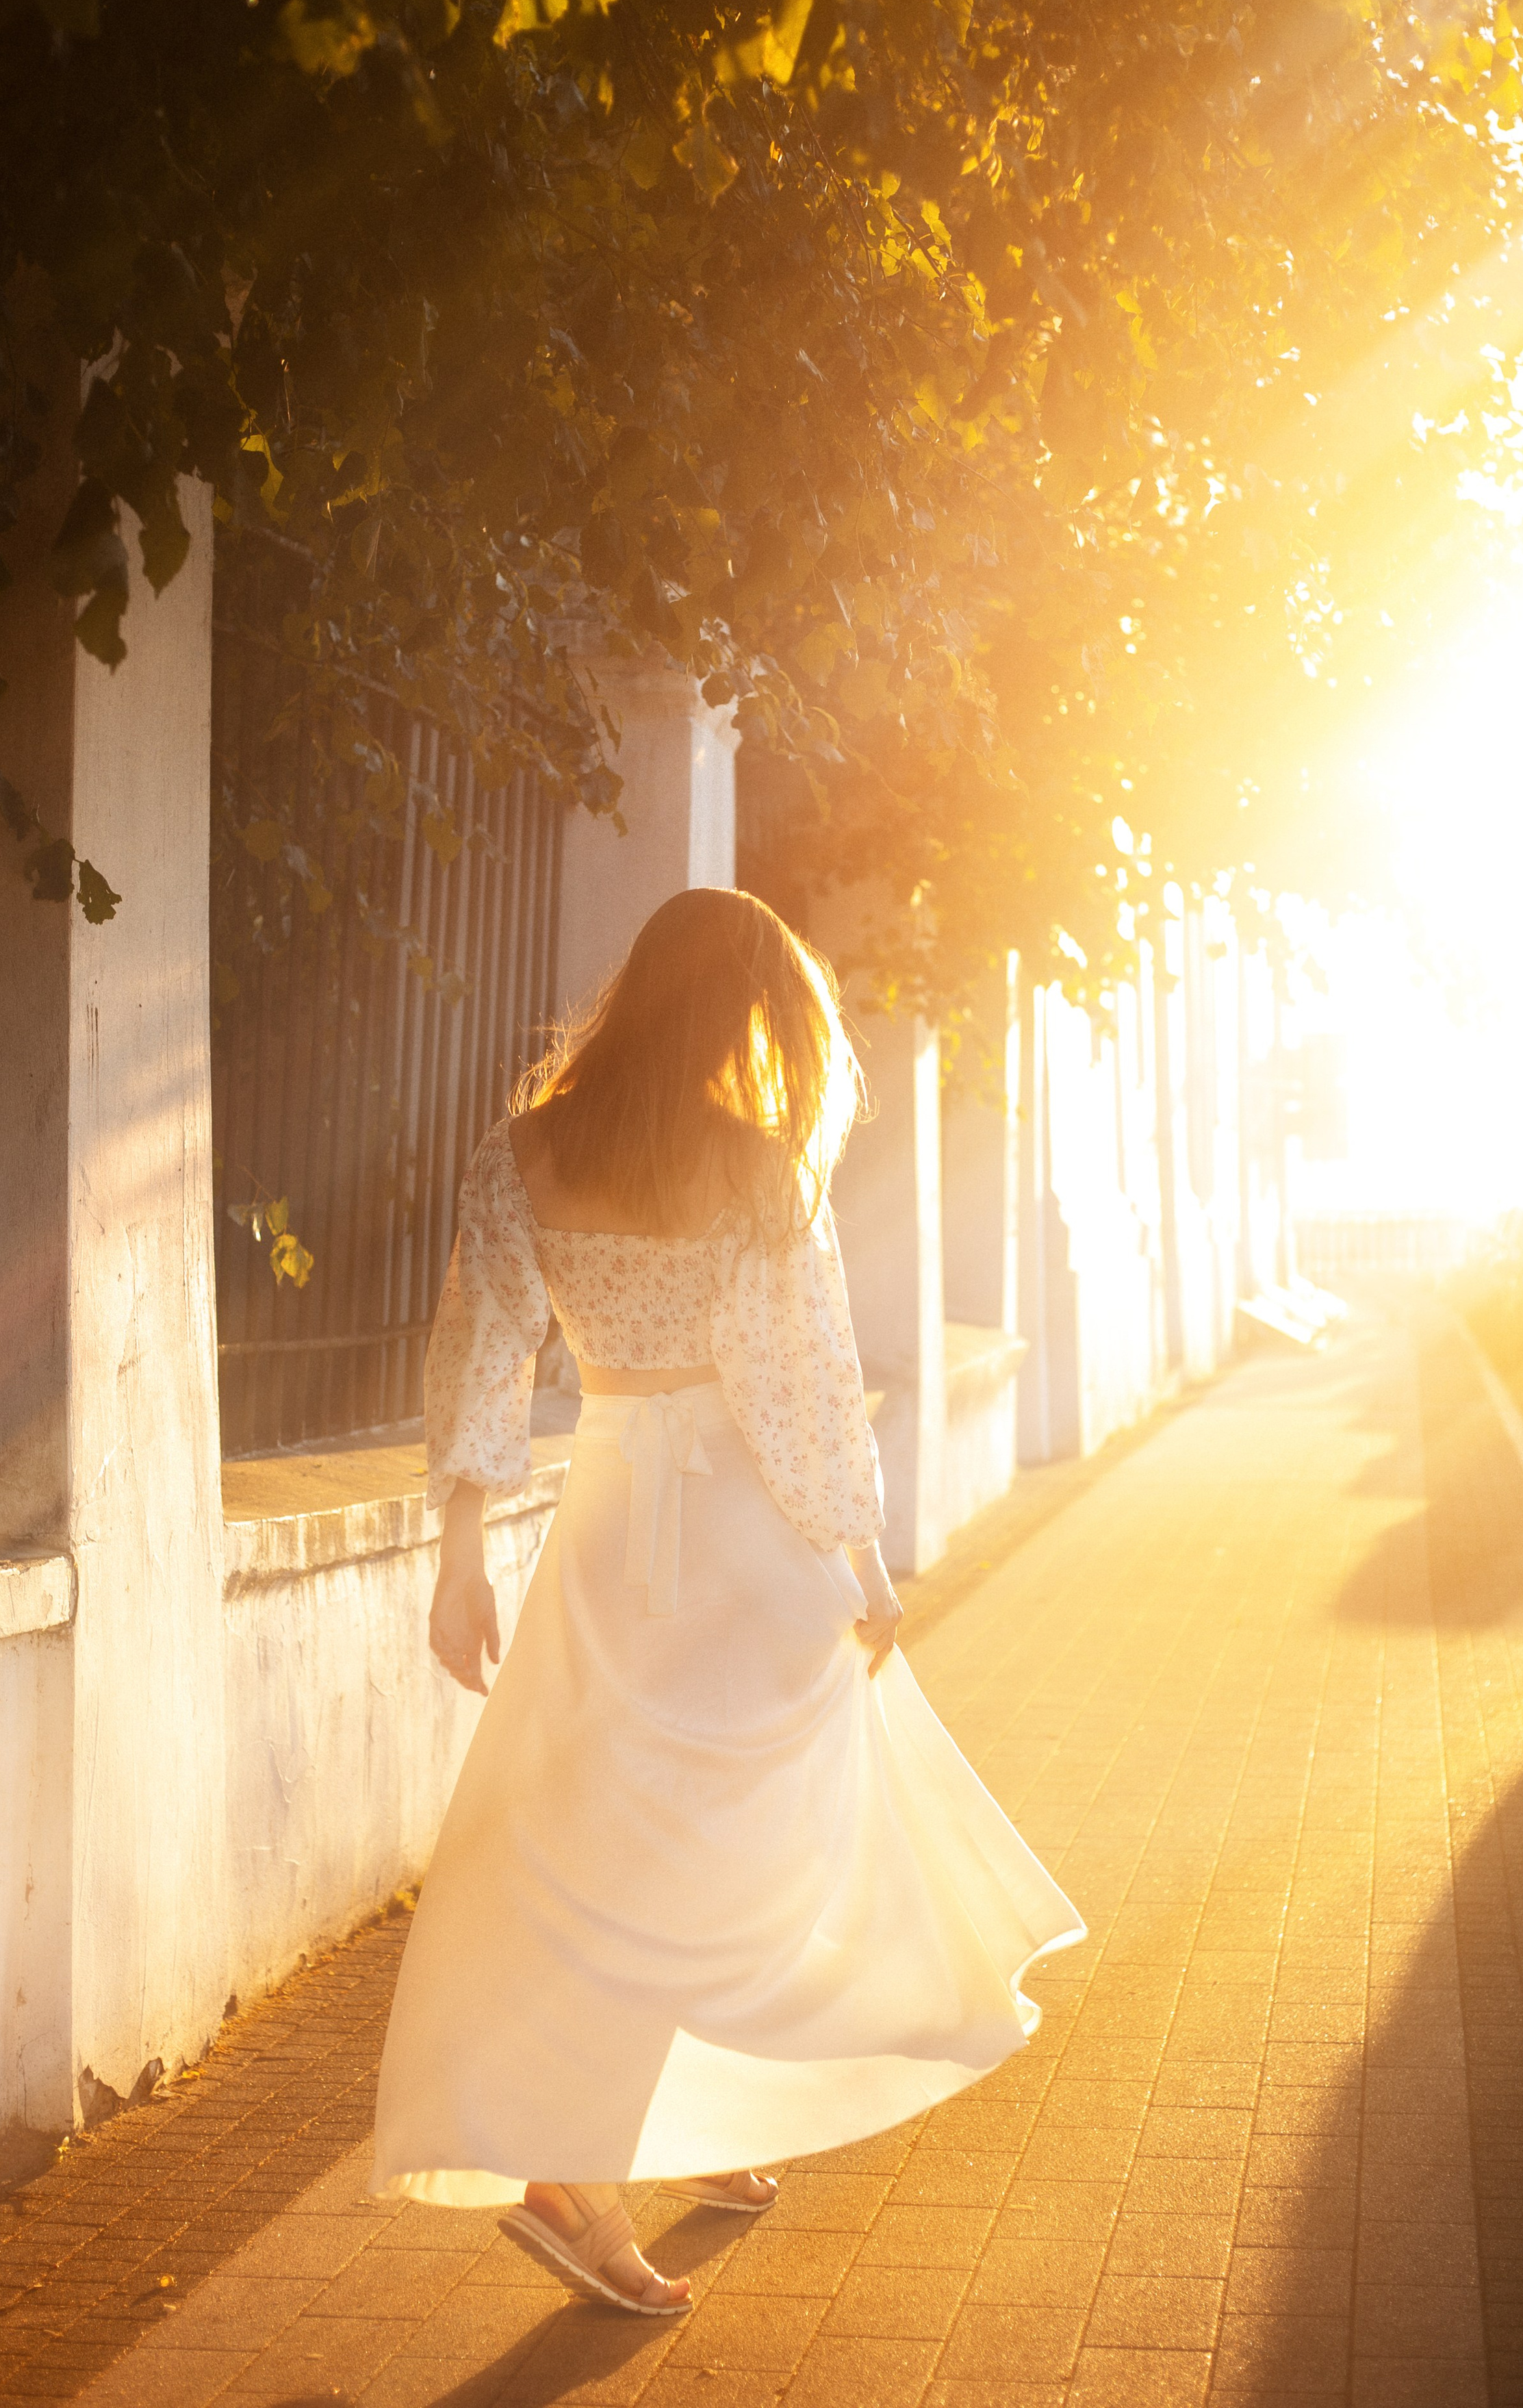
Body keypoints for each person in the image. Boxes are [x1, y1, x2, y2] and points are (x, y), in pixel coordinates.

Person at [371, 888, 1083, 2316]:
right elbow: (800, 1391)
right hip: (740, 1538)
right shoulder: (756, 1171)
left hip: (606, 1525)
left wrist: (459, 1552)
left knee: (602, 1847)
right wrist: (860, 1565)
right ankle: (574, 2175)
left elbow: (482, 1352)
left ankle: (669, 2120)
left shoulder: (522, 1156)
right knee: (737, 1844)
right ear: (741, 1017)